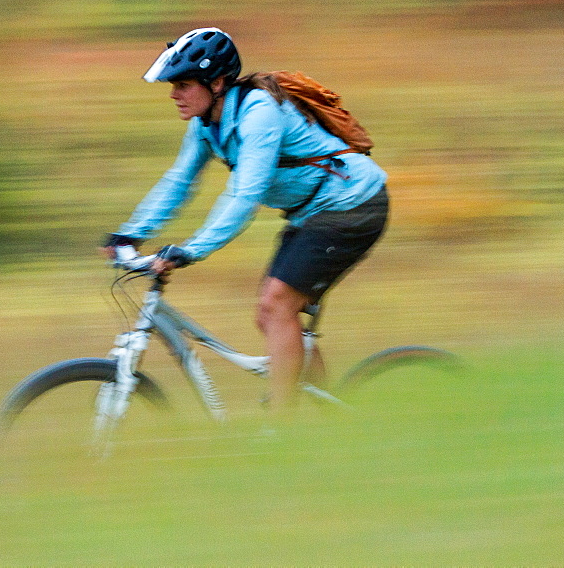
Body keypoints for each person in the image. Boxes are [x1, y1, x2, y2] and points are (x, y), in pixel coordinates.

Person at [101, 27, 389, 410]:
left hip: (354, 205)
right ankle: (330, 417)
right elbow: (179, 182)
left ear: (217, 82)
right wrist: (129, 235)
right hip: (313, 214)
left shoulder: (259, 113)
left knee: (277, 305)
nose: (174, 94)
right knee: (270, 316)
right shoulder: (206, 125)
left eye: (183, 84)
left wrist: (190, 251)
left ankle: (280, 430)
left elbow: (245, 194)